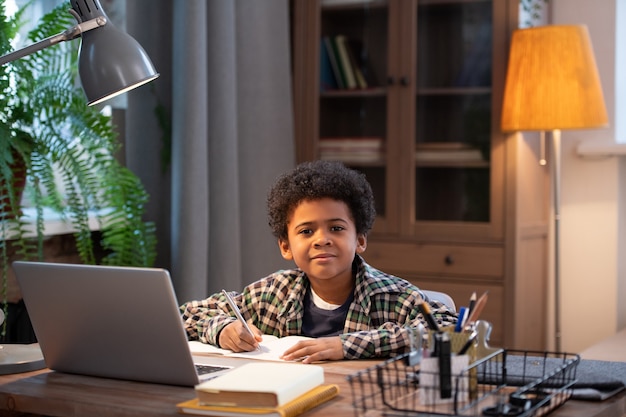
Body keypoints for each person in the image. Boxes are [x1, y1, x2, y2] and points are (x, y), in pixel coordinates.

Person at [180, 160, 457, 363]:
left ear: (360, 240)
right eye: (306, 231)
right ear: (286, 246)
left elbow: (448, 327)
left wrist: (346, 345)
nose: (321, 239)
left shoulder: (394, 296)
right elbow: (185, 315)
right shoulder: (271, 293)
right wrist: (222, 329)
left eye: (336, 228)